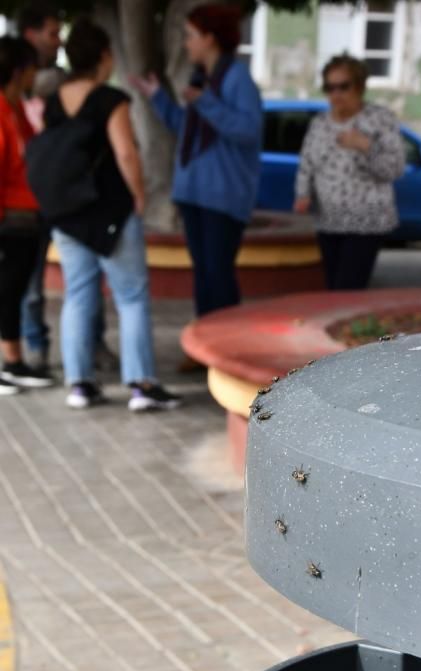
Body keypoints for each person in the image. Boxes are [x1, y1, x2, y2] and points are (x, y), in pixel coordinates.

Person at [44, 18, 181, 411]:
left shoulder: (55, 101)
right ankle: (142, 384)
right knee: (132, 295)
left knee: (78, 296)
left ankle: (80, 383)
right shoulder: (110, 98)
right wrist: (138, 195)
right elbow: (125, 152)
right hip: (110, 212)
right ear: (104, 56)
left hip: (69, 214)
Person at [133, 4, 262, 368]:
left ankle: (227, 350)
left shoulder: (236, 78)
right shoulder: (199, 78)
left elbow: (247, 131)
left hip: (223, 196)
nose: (185, 42)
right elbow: (185, 127)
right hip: (192, 193)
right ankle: (206, 349)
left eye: (190, 35)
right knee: (204, 276)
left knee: (218, 275)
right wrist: (158, 96)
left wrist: (205, 102)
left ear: (210, 37)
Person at [18, 1, 118, 372]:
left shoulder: (64, 82)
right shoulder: (13, 74)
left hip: (66, 193)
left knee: (84, 280)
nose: (58, 40)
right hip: (24, 196)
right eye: (51, 32)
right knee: (30, 282)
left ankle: (94, 346)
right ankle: (33, 347)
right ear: (31, 34)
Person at [294, 54, 405, 290]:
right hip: (328, 220)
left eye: (343, 86)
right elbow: (307, 163)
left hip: (366, 222)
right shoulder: (320, 124)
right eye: (329, 87)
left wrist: (366, 147)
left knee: (348, 288)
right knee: (334, 287)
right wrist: (302, 194)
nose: (336, 94)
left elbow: (394, 169)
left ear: (360, 86)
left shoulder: (380, 119)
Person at [0, 36, 54, 394]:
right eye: (33, 68)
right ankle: (10, 363)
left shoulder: (16, 106)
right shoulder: (2, 110)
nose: (37, 74)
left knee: (15, 289)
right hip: (10, 219)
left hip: (27, 217)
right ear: (20, 71)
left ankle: (15, 363)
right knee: (8, 290)